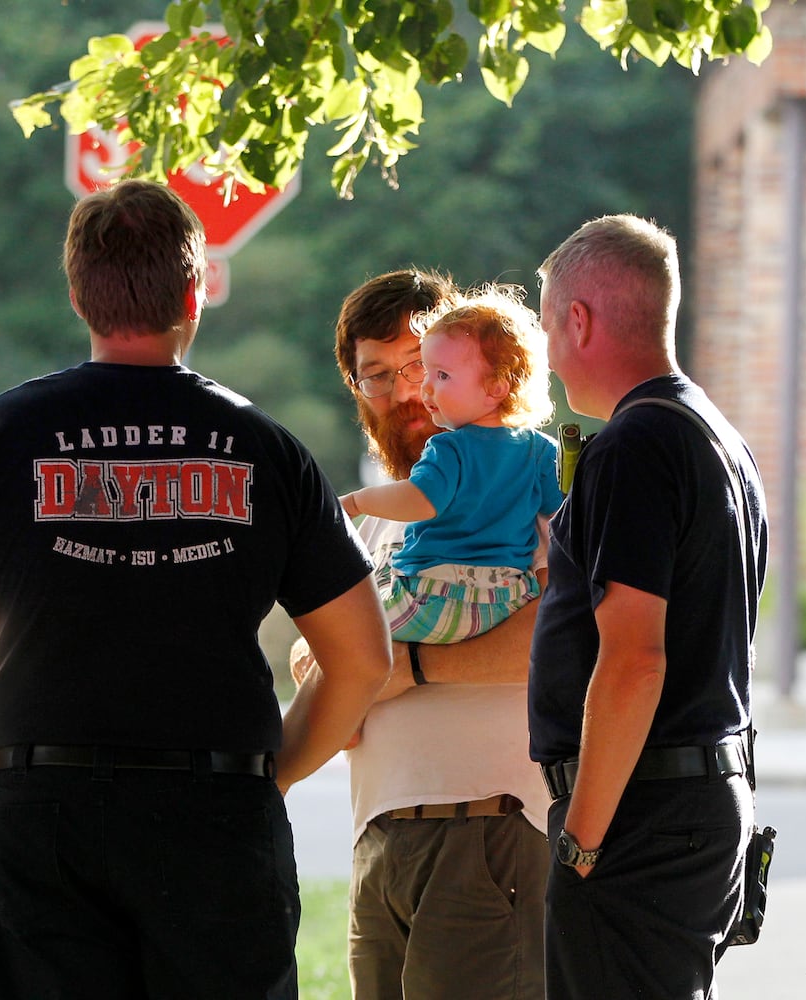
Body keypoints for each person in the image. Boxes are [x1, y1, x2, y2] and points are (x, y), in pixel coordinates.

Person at [0, 178, 392, 1000]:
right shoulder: (269, 450)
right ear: (194, 293)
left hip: (40, 803)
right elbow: (362, 659)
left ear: (78, 293)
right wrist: (277, 775)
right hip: (217, 806)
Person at [292, 269, 549, 1000]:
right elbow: (325, 662)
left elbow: (559, 634)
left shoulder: (523, 475)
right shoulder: (381, 518)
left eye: (420, 366)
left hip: (487, 832)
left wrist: (409, 667)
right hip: (380, 845)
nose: (408, 393)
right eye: (378, 375)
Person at [528, 214, 768, 998]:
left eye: (548, 323)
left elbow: (635, 659)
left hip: (642, 813)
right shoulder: (717, 438)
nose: (549, 352)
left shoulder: (635, 446)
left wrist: (584, 842)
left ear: (579, 318)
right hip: (700, 800)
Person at [339, 285, 562, 645]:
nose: (415, 391)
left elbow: (563, 625)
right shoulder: (538, 453)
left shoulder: (447, 449)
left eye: (428, 369)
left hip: (432, 601)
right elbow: (563, 508)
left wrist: (357, 501)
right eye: (377, 376)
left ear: (495, 383)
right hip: (503, 596)